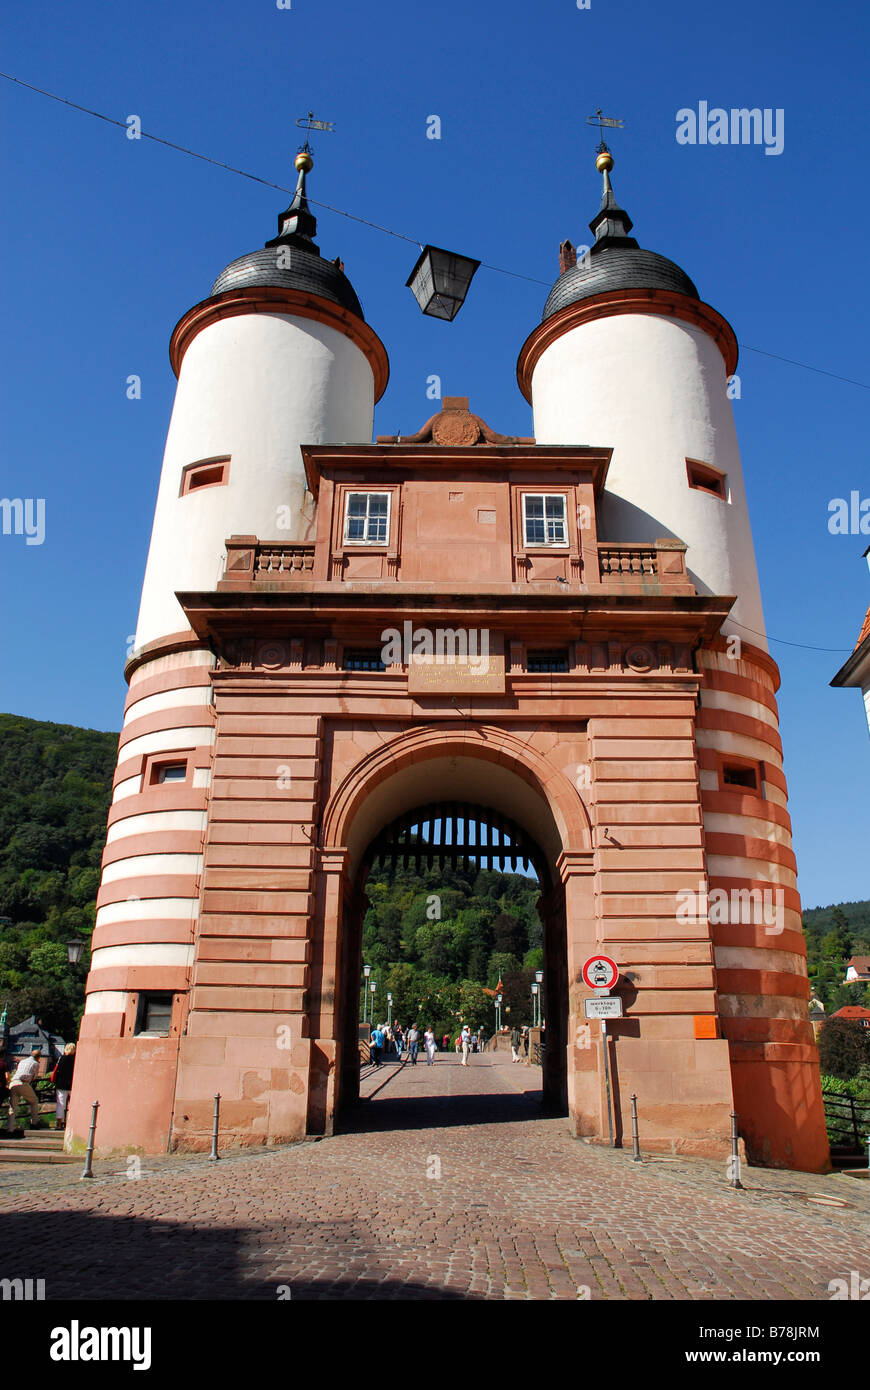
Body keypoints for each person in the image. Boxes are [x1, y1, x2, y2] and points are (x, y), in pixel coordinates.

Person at [7, 1046, 43, 1131]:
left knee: (12, 1107)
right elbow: (34, 1077)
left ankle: (10, 1129)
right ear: (38, 1057)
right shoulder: (36, 1064)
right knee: (34, 1101)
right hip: (23, 1083)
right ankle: (34, 1123)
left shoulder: (22, 1061)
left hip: (13, 1083)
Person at [51, 1042, 76, 1128]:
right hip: (72, 1085)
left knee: (60, 1104)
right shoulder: (76, 1059)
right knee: (72, 1104)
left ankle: (59, 1123)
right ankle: (72, 1123)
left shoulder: (61, 1058)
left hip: (61, 1084)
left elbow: (57, 1070)